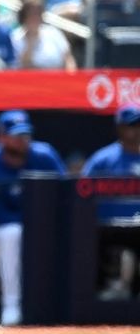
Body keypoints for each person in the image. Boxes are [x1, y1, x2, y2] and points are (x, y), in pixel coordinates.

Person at [0, 110, 66, 326]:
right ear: (1, 137)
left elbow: (66, 193)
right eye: (16, 135)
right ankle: (11, 309)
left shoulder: (45, 155)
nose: (23, 140)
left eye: (25, 134)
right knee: (13, 234)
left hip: (42, 230)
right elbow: (0, 216)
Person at [82, 104, 140, 300]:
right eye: (132, 125)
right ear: (120, 128)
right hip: (108, 227)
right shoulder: (102, 160)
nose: (137, 130)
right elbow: (82, 193)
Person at [11, 0, 77, 70]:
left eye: (38, 13)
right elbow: (23, 66)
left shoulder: (53, 32)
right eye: (31, 14)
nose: (35, 17)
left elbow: (68, 58)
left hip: (58, 78)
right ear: (24, 16)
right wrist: (31, 38)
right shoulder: (16, 37)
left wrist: (70, 77)